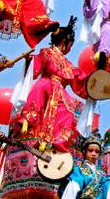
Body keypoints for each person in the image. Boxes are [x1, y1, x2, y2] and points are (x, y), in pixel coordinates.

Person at [14, 16, 89, 152]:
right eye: (71, 45)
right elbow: (35, 68)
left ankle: (56, 143)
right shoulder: (46, 53)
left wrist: (94, 84)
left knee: (68, 111)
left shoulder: (68, 64)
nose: (70, 49)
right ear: (65, 41)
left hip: (60, 93)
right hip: (46, 85)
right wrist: (29, 61)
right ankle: (27, 120)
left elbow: (80, 80)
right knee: (39, 94)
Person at [61, 131, 110, 199]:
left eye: (97, 152)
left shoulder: (101, 173)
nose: (94, 154)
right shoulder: (78, 170)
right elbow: (72, 190)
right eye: (90, 150)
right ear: (84, 152)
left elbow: (108, 188)